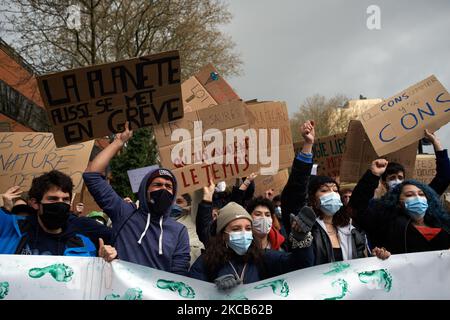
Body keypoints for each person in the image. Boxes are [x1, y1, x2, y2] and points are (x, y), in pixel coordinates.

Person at [83, 122, 190, 275]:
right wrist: (119, 142)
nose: (164, 189)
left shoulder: (179, 231)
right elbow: (92, 175)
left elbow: (180, 275)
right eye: (158, 184)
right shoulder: (124, 212)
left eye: (168, 186)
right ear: (145, 190)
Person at [281, 120, 390, 265]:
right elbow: (296, 189)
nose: (332, 194)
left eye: (335, 190)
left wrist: (374, 257)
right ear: (312, 198)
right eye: (324, 190)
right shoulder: (304, 228)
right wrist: (308, 145)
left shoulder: (349, 227)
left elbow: (360, 199)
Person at [188, 202, 314, 288]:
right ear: (223, 234)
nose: (244, 233)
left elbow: (300, 265)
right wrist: (214, 290)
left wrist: (300, 238)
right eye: (236, 229)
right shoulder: (206, 262)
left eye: (248, 228)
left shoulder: (262, 257)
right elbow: (193, 294)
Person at [0, 170, 109, 257]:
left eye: (65, 199)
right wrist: (5, 209)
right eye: (53, 199)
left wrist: (104, 263)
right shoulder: (10, 228)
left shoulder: (83, 245)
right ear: (35, 203)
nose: (60, 204)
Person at [351, 160, 450, 253]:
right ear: (399, 202)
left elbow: (444, 177)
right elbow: (357, 208)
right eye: (409, 195)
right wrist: (373, 175)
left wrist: (435, 142)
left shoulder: (439, 222)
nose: (417, 198)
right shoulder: (387, 221)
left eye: (421, 194)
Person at [379, 130, 450, 196]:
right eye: (392, 178)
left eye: (400, 178)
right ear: (384, 183)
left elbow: (444, 176)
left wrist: (436, 142)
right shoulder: (379, 206)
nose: (397, 181)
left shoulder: (419, 198)